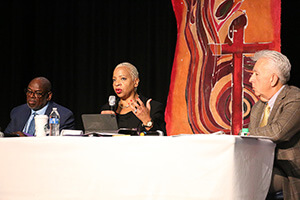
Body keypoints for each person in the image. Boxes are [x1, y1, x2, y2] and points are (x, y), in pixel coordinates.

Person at [248, 50, 300, 200]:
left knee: (248, 180)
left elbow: (277, 132)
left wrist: (245, 134)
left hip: (290, 171)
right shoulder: (258, 107)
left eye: (256, 74)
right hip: (266, 166)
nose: (251, 79)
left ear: (272, 79)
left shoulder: (295, 99)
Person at [101, 62, 166, 134]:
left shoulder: (153, 107)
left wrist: (147, 121)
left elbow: (161, 138)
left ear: (135, 82)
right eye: (114, 80)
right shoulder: (107, 109)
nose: (117, 83)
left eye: (123, 78)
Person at [4, 77, 75, 136]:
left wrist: (27, 140)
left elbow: (63, 145)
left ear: (48, 96)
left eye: (37, 93)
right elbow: (6, 136)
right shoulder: (18, 112)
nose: (31, 96)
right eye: (29, 91)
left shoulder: (64, 115)